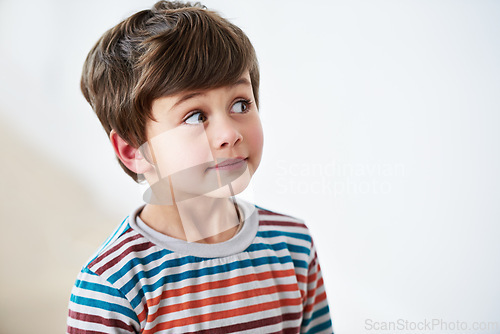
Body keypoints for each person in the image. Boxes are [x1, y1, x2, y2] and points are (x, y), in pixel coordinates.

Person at [67, 1, 333, 333]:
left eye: (240, 104)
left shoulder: (294, 245)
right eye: (195, 116)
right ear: (134, 150)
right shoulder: (112, 285)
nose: (230, 134)